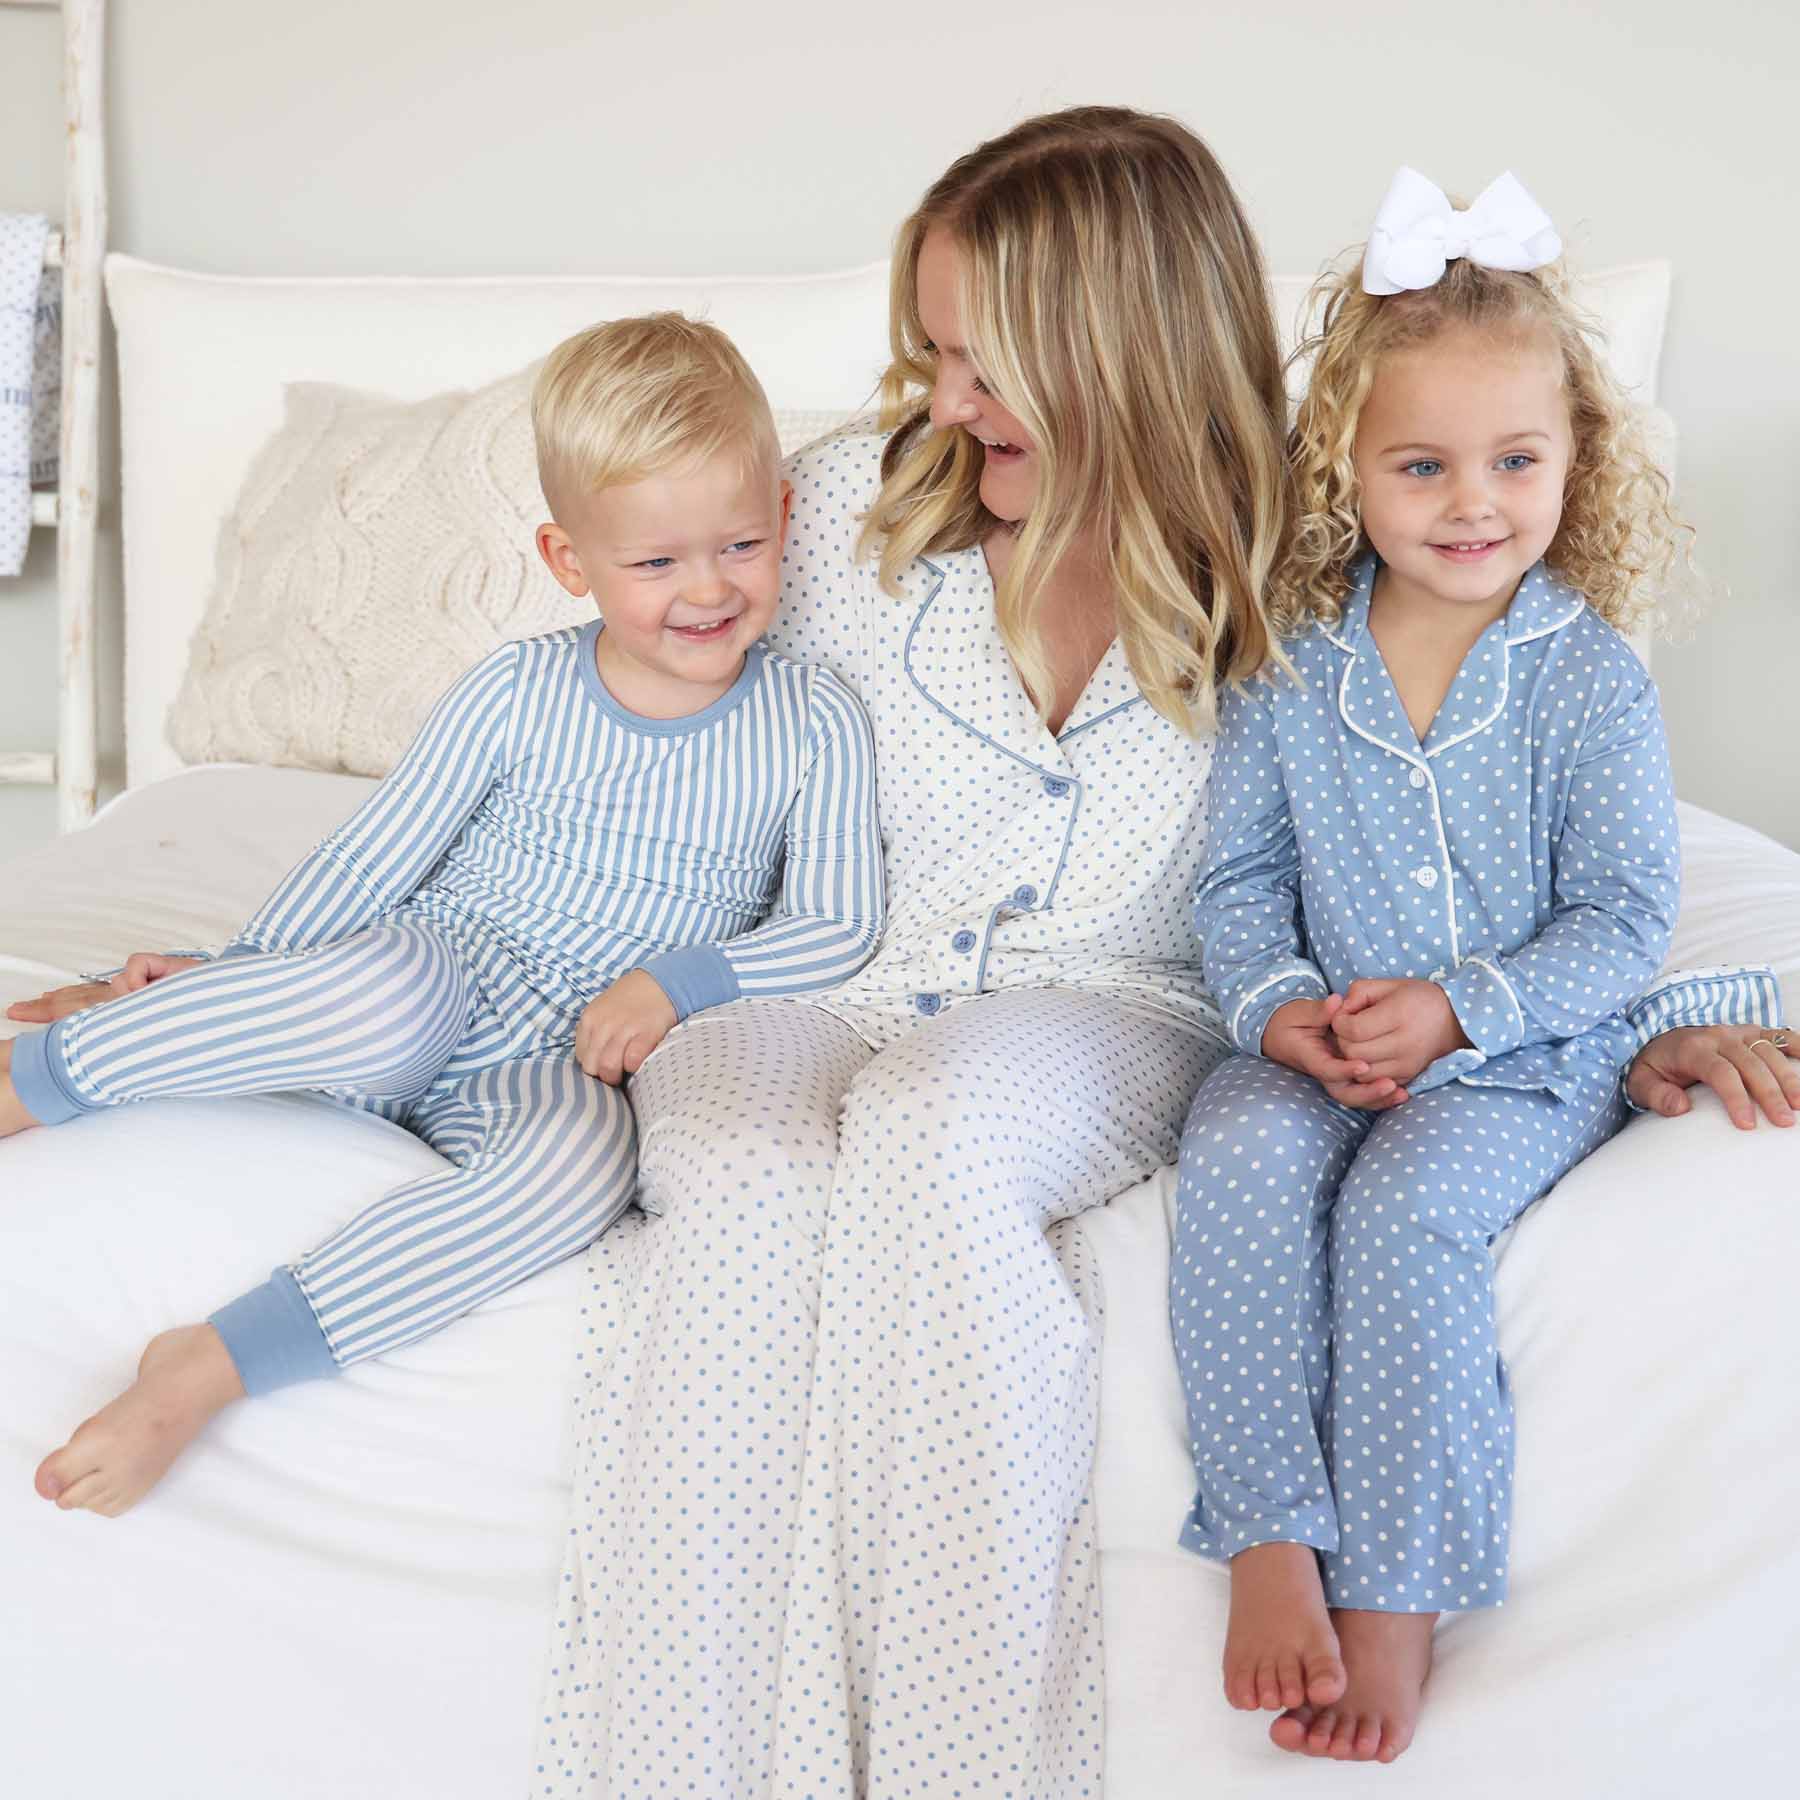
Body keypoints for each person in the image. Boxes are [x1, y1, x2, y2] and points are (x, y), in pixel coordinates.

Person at [525, 120, 1792, 1797]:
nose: (947, 401)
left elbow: (1501, 826)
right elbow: (618, 749)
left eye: (985, 361)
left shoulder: (1317, 549)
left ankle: (959, 1769)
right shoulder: (832, 514)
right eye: (935, 353)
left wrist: (1676, 1015)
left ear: (1109, 342)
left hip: (1110, 1009)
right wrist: (390, 971)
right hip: (826, 979)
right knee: (737, 1166)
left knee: (940, 1125)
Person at [0, 312, 883, 1517]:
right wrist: (235, 971)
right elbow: (371, 858)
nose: (708, 588)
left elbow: (839, 921)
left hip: (561, 1051)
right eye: (655, 563)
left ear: (785, 514)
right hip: (439, 978)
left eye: (740, 543)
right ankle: (35, 1076)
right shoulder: (517, 690)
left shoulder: (814, 720)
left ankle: (207, 1365)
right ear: (568, 561)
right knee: (385, 990)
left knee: (585, 1169)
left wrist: (676, 983)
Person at [1167, 167, 1782, 1768]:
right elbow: (1237, 882)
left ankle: (1398, 1598)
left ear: (1577, 462)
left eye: (1516, 461)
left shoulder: (1588, 681)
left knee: (1410, 1210)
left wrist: (1459, 1010)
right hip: (1319, 1048)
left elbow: (1623, 918)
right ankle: (1267, 1534)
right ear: (1348, 473)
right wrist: (1277, 1017)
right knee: (1232, 1151)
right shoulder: (1291, 666)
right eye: (1422, 465)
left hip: (1521, 1063)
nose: (1473, 504)